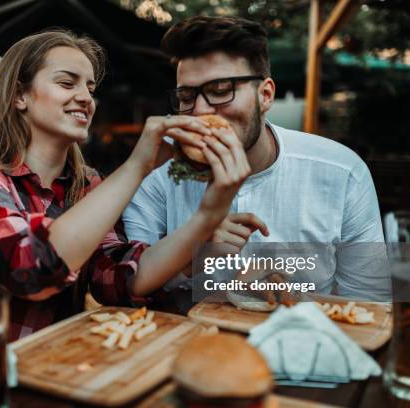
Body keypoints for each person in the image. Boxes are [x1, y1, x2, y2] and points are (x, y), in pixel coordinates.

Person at [0, 30, 249, 402]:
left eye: (90, 88)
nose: (85, 98)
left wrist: (206, 218)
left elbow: (118, 279)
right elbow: (29, 271)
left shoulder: (86, 187)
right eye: (66, 82)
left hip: (38, 376)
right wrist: (137, 166)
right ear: (19, 95)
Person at [122, 16, 388, 312]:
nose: (199, 110)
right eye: (186, 96)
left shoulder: (341, 173)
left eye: (221, 90)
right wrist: (191, 256)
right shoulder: (158, 171)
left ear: (265, 95)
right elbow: (126, 285)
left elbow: (369, 304)